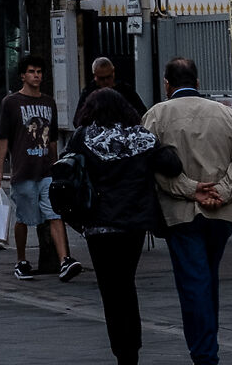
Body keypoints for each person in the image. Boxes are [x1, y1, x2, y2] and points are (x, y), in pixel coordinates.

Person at [145, 56, 232, 365]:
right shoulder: (226, 114)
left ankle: (205, 353)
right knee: (207, 278)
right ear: (197, 83)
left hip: (180, 214)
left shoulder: (156, 115)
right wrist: (221, 190)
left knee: (193, 282)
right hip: (221, 213)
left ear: (167, 85)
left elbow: (149, 163)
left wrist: (189, 188)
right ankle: (207, 343)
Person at [73, 84, 181, 365]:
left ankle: (121, 348)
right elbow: (171, 165)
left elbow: (66, 169)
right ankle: (131, 347)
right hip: (134, 224)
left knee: (110, 288)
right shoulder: (140, 137)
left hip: (99, 224)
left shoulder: (84, 137)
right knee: (126, 283)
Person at [0, 52, 82, 282]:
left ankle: (65, 260)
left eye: (39, 72)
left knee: (54, 214)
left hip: (45, 170)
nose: (36, 76)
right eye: (32, 72)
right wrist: (0, 170)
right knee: (23, 217)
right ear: (23, 76)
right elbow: (3, 138)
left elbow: (52, 138)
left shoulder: (48, 102)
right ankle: (21, 260)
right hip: (23, 170)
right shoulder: (11, 103)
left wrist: (56, 165)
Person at [74, 55, 146, 126]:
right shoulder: (88, 91)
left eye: (109, 77)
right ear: (95, 76)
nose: (106, 81)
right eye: (101, 78)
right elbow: (78, 120)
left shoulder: (125, 89)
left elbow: (142, 113)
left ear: (113, 73)